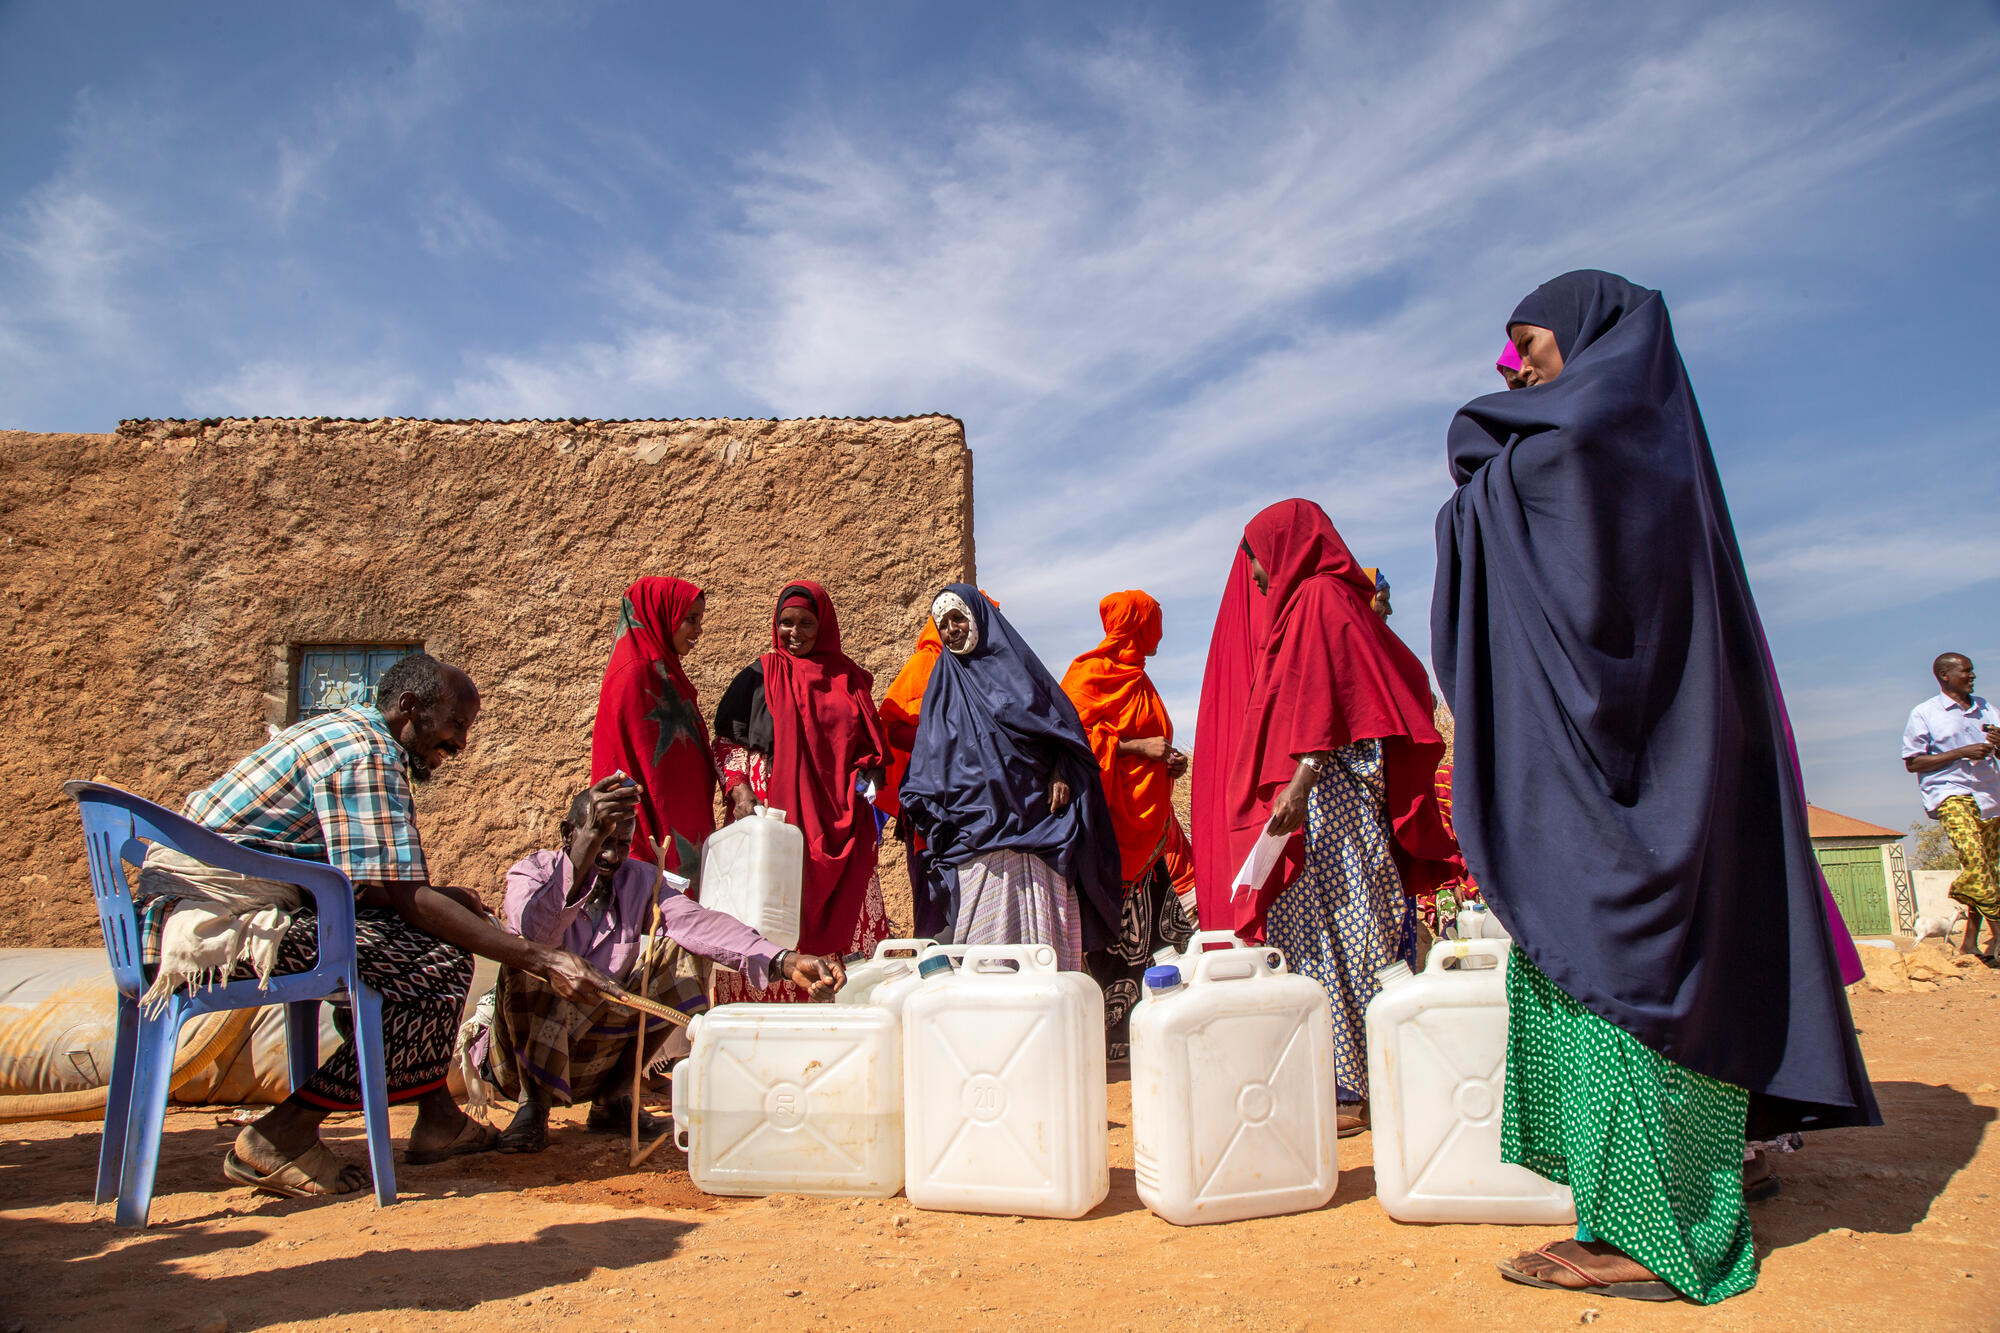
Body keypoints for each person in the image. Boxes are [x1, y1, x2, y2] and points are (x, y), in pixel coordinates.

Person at [1434, 270, 1880, 1303]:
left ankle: (1651, 1233)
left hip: (1610, 785)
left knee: (1616, 971)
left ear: (1586, 335)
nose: (1514, 366)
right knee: (1649, 964)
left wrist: (1481, 466)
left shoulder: (1581, 442)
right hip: (1658, 770)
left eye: (1528, 343)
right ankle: (1697, 1177)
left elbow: (1484, 469)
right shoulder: (1656, 450)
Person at [135, 653, 616, 1198]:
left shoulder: (343, 732)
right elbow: (409, 900)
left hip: (204, 908)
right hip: (216, 926)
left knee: (416, 949)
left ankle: (438, 1118)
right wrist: (541, 958)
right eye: (457, 725)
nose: (460, 745)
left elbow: (374, 884)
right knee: (437, 964)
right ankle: (280, 1135)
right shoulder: (366, 755)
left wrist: (440, 899)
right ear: (409, 707)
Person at [1191, 500, 1458, 1135]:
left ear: (1284, 550)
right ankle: (1347, 1079)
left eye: (1257, 561)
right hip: (1321, 803)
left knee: (1353, 925)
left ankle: (1363, 1083)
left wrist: (1300, 781)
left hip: (1333, 800)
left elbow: (1334, 699)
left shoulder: (1319, 600)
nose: (1255, 578)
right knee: (1318, 933)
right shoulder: (1317, 603)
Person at [483, 776, 846, 1152]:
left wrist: (784, 960)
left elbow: (699, 925)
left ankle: (615, 1099)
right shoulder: (532, 873)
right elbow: (535, 933)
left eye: (621, 844)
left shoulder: (638, 880)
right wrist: (582, 856)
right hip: (522, 1060)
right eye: (599, 841)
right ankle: (534, 1107)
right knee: (527, 958)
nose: (610, 856)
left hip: (595, 1054)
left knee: (687, 952)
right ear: (567, 833)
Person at [899, 585, 1122, 969]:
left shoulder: (1020, 673)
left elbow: (1065, 735)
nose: (951, 630)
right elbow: (927, 763)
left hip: (1040, 831)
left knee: (1045, 958)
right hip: (978, 842)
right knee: (988, 963)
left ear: (980, 619)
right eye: (943, 624)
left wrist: (1061, 772)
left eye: (958, 619)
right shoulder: (942, 687)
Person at [712, 582, 892, 1001]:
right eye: (786, 623)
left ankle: (842, 1019)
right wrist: (738, 788)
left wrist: (868, 778)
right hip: (774, 818)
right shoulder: (759, 674)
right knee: (773, 903)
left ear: (823, 624)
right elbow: (726, 741)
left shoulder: (848, 679)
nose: (795, 632)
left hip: (840, 819)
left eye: (806, 623)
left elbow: (873, 751)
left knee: (847, 910)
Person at [1060, 590, 1196, 1057]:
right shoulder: (1088, 674)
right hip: (1109, 831)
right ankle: (1112, 1041)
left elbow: (1150, 741)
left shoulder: (1141, 679)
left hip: (1151, 827)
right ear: (1139, 625)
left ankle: (1159, 1033)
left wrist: (1167, 763)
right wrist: (1138, 749)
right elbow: (1070, 746)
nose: (1158, 631)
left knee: (1164, 936)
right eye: (1154, 621)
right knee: (1111, 936)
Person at [591, 576, 717, 876]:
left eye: (700, 619)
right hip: (656, 834)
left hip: (684, 829)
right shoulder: (635, 676)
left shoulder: (665, 673)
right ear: (662, 615)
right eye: (690, 619)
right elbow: (624, 766)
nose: (698, 630)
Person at [1902, 652, 2000, 958]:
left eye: (1972, 672)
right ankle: (1998, 934)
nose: (1972, 676)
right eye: (1966, 671)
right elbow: (1914, 762)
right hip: (1951, 794)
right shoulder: (1925, 713)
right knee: (1977, 862)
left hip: (1991, 797)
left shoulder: (1987, 708)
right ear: (1945, 675)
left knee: (1986, 870)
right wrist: (1961, 752)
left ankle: (1970, 942)